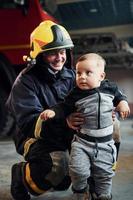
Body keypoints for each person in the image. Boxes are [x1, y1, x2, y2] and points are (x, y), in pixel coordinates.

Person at [41, 53, 130, 200]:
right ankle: (80, 192)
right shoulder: (76, 94)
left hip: (105, 143)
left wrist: (123, 104)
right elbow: (63, 107)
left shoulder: (110, 88)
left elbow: (120, 97)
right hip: (82, 142)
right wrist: (53, 111)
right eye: (79, 73)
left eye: (88, 73)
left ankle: (103, 194)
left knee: (104, 173)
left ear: (101, 76)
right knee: (77, 170)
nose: (82, 77)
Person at [6, 20, 76, 200]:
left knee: (109, 129)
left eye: (62, 52)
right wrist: (67, 123)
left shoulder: (72, 75)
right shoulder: (25, 82)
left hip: (65, 131)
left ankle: (62, 176)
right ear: (39, 55)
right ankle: (21, 175)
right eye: (52, 53)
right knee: (56, 166)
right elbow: (31, 123)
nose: (60, 58)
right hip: (33, 136)